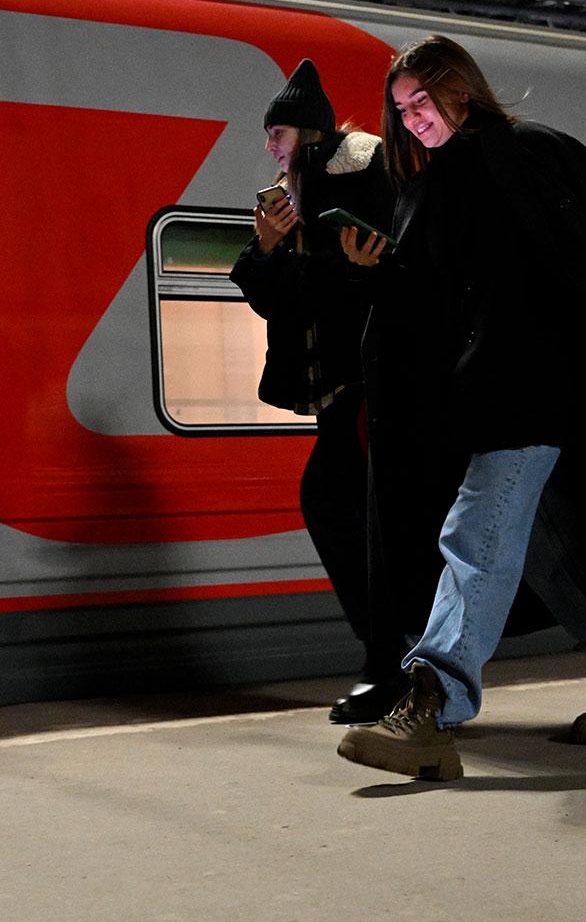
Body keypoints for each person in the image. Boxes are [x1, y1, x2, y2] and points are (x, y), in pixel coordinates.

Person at [334, 35, 586, 780]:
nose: (413, 119)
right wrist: (378, 274)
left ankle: (428, 706)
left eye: (423, 101)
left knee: (476, 536)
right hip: (508, 390)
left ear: (461, 88)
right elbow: (438, 295)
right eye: (401, 110)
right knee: (549, 546)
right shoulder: (454, 175)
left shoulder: (519, 155)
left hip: (532, 387)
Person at [229, 59, 402, 725]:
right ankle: (392, 656)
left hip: (373, 381)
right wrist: (269, 250)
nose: (269, 146)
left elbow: (360, 279)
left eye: (277, 132)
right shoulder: (287, 199)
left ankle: (389, 660)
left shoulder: (361, 178)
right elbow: (280, 301)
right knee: (355, 516)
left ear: (310, 132)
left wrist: (303, 252)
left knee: (341, 508)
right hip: (343, 388)